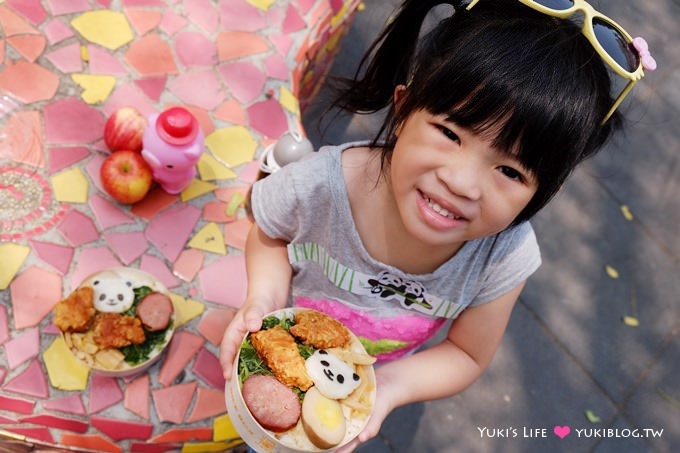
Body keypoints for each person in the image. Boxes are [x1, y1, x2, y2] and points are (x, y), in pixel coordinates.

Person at [220, 0, 656, 450]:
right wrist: (265, 298)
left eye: (509, 171)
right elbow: (269, 233)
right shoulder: (319, 187)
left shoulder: (503, 258)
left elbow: (466, 353)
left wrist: (387, 389)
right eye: (450, 133)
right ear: (404, 107)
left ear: (543, 193)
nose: (462, 183)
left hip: (362, 381)